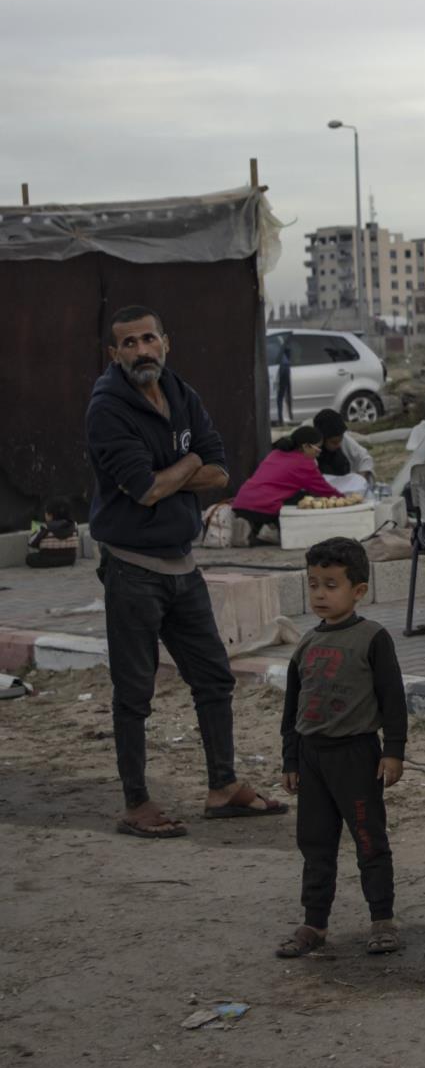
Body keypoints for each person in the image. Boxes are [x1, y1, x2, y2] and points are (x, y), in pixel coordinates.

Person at [88, 305, 285, 838]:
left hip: (182, 565)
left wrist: (179, 473)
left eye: (148, 339)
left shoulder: (181, 393)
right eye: (129, 344)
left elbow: (220, 471)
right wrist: (188, 465)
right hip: (132, 569)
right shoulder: (107, 408)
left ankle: (223, 787)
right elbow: (145, 489)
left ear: (165, 342)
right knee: (134, 692)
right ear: (114, 353)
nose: (141, 351)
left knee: (214, 677)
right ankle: (136, 803)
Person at [275, 537, 407, 959]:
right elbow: (293, 709)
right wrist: (291, 759)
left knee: (369, 840)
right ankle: (315, 924)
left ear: (359, 590)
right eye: (314, 584)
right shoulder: (306, 644)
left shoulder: (373, 638)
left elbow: (393, 698)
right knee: (315, 844)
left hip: (356, 757)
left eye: (331, 585)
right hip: (312, 758)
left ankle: (382, 920)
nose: (320, 594)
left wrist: (393, 751)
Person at [229, 425, 341, 544]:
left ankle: (252, 529)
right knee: (305, 499)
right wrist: (344, 498)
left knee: (290, 495)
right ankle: (271, 529)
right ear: (306, 446)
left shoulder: (275, 453)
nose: (318, 453)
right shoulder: (305, 463)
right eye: (317, 448)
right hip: (263, 509)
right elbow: (324, 490)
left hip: (241, 503)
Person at [313, 408, 374, 487]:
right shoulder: (310, 451)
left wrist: (360, 479)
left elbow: (364, 458)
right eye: (334, 442)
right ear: (322, 440)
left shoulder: (343, 438)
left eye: (340, 440)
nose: (339, 445)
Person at [26, 498, 80, 569]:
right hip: (69, 559)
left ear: (50, 515)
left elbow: (32, 543)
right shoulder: (74, 525)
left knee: (29, 558)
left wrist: (35, 529)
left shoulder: (44, 527)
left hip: (47, 559)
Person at [274, 334, 294, 425]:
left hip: (282, 367)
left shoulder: (275, 341)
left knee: (280, 395)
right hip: (285, 366)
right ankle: (283, 418)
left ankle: (281, 418)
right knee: (284, 394)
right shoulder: (281, 341)